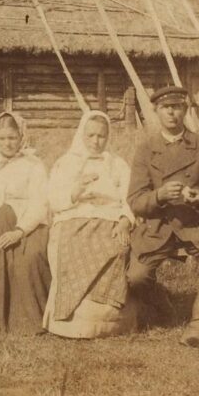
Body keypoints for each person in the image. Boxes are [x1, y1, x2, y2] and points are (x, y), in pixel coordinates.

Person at [127, 87, 199, 348]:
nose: (172, 113)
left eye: (177, 107)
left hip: (197, 223)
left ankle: (198, 326)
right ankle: (164, 306)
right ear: (156, 112)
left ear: (185, 110)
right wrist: (159, 196)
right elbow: (135, 201)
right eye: (166, 108)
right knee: (136, 277)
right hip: (159, 227)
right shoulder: (146, 149)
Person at [43, 110, 136, 339]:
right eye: (91, 135)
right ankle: (71, 322)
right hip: (73, 217)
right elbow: (53, 200)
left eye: (101, 136)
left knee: (117, 247)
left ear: (108, 136)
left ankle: (108, 324)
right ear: (81, 135)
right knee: (69, 247)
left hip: (109, 218)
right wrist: (75, 191)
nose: (96, 141)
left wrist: (125, 220)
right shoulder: (66, 163)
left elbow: (130, 198)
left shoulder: (117, 164)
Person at [0, 111, 51, 335]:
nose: (7, 143)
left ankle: (27, 320)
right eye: (2, 138)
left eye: (12, 137)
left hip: (28, 223)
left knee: (29, 259)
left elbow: (40, 203)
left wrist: (20, 231)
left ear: (22, 136)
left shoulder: (34, 164)